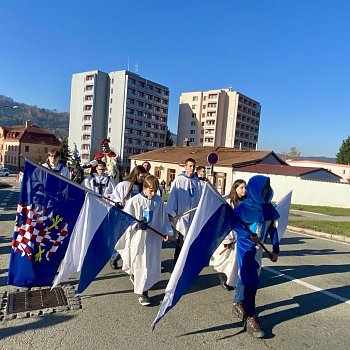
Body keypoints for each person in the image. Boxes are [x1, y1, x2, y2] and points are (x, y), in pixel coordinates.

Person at [232, 175, 280, 338]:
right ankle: (250, 315)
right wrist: (247, 234)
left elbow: (272, 229)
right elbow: (236, 227)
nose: (265, 192)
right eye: (262, 189)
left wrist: (276, 249)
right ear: (254, 189)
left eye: (267, 189)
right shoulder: (242, 208)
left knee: (249, 278)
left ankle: (239, 301)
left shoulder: (268, 208)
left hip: (259, 250)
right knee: (250, 279)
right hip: (246, 248)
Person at [116, 175, 172, 306]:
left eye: (155, 190)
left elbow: (164, 220)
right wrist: (136, 225)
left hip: (153, 240)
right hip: (139, 239)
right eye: (151, 190)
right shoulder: (134, 201)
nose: (153, 193)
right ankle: (143, 293)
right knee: (141, 265)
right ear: (145, 188)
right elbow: (125, 220)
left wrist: (167, 233)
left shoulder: (158, 202)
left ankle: (143, 283)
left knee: (151, 265)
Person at [210, 179, 247, 290]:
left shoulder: (246, 203)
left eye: (245, 188)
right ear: (235, 189)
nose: (244, 190)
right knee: (223, 260)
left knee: (235, 261)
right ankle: (223, 277)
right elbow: (223, 221)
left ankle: (232, 281)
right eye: (241, 188)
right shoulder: (229, 203)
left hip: (241, 236)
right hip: (228, 235)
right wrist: (227, 239)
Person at [109, 165, 148, 269]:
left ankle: (132, 263)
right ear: (136, 174)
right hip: (124, 217)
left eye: (144, 176)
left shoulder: (142, 187)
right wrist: (117, 203)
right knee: (123, 240)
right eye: (141, 176)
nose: (143, 178)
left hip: (137, 218)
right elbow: (114, 197)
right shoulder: (123, 185)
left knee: (134, 241)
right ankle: (114, 258)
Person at [166, 158, 203, 265]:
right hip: (182, 216)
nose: (192, 168)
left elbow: (200, 197)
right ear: (185, 167)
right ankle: (177, 262)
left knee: (191, 240)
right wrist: (171, 213)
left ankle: (187, 261)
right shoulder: (179, 181)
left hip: (193, 215)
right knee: (182, 239)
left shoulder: (197, 182)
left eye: (194, 166)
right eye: (190, 166)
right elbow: (172, 197)